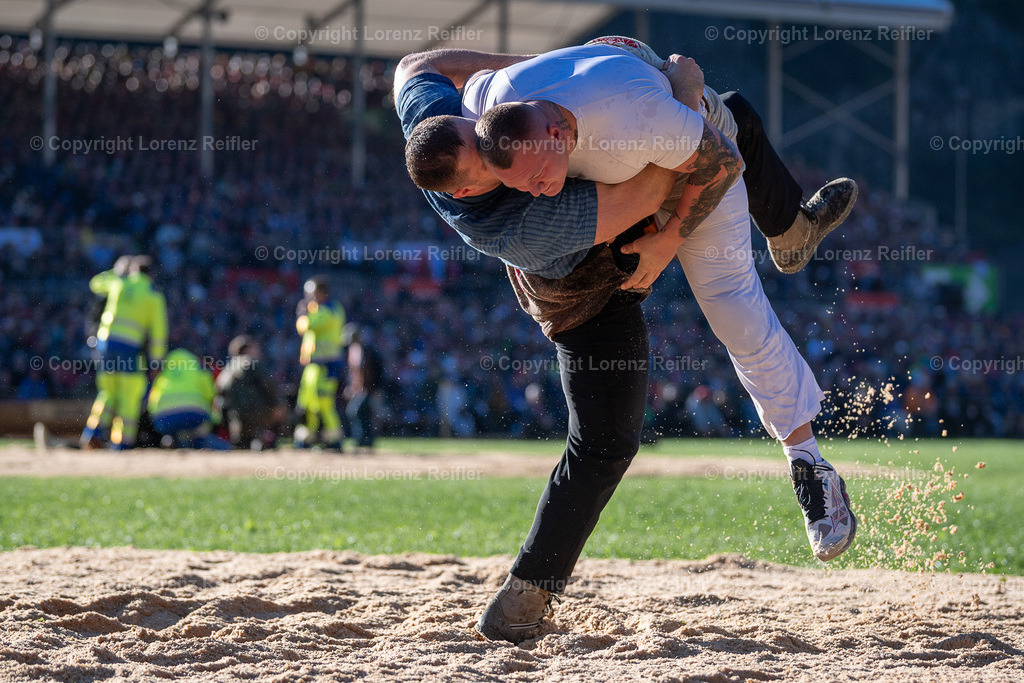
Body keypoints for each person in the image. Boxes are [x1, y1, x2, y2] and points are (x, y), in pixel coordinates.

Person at [394, 43, 851, 645]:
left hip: (674, 158)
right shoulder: (517, 215)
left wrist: (544, 64)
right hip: (584, 287)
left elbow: (413, 67)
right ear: (469, 189)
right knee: (605, 440)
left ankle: (807, 459)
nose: (492, 149)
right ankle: (531, 591)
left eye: (481, 132)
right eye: (503, 170)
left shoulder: (481, 107)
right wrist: (684, 93)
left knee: (733, 303)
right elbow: (638, 197)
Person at [81, 255, 167, 450]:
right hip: (130, 349)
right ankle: (121, 443)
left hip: (106, 345)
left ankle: (92, 433)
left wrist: (116, 271)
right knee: (130, 395)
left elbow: (95, 284)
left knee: (108, 392)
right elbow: (158, 333)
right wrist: (156, 361)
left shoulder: (118, 282)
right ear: (152, 274)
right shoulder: (153, 294)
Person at [294, 276, 346, 450]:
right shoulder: (323, 309)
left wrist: (302, 314)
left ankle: (334, 439)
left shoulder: (329, 310)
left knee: (324, 402)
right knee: (307, 401)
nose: (307, 297)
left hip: (327, 365)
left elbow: (305, 326)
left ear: (321, 293)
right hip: (313, 364)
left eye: (310, 293)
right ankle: (307, 438)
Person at [147, 348, 229, 449]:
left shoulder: (164, 372)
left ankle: (174, 441)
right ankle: (208, 444)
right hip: (194, 414)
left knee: (176, 430)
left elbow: (151, 399)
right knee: (199, 432)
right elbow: (211, 395)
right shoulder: (198, 369)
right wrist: (215, 419)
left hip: (163, 418)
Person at [216, 335, 284, 450]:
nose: (258, 351)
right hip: (256, 413)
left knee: (242, 443)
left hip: (236, 417)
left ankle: (242, 444)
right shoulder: (250, 362)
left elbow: (220, 390)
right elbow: (269, 385)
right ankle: (270, 443)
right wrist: (278, 404)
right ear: (247, 350)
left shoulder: (228, 368)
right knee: (282, 408)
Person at [343, 324, 381, 451]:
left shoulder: (366, 351)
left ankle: (363, 440)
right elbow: (354, 373)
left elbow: (372, 371)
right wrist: (351, 387)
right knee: (360, 413)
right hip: (360, 389)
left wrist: (375, 388)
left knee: (356, 411)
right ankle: (364, 440)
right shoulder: (353, 350)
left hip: (366, 389)